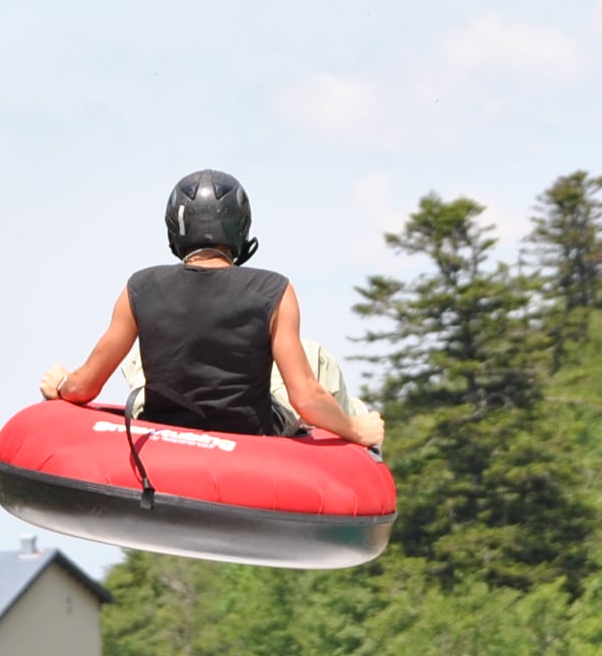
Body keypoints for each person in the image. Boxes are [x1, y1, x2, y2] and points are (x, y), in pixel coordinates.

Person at [39, 170, 386, 449]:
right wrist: (356, 430)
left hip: (165, 432)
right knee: (324, 378)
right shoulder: (274, 289)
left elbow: (84, 387)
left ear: (175, 230)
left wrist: (62, 384)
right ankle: (359, 418)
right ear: (241, 228)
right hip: (253, 438)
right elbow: (306, 397)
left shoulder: (139, 288)